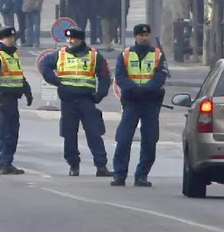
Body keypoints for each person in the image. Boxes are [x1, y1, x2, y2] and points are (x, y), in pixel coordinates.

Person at [38, 27, 113, 177]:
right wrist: (56, 81)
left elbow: (105, 75)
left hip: (87, 100)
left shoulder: (94, 55)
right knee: (69, 135)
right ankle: (73, 165)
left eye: (73, 39)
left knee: (94, 133)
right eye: (68, 38)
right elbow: (44, 65)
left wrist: (100, 94)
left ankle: (101, 166)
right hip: (68, 101)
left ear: (81, 40)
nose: (70, 41)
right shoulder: (60, 55)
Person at [111, 24, 170, 187]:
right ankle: (119, 175)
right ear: (135, 37)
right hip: (132, 102)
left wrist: (146, 89)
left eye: (147, 35)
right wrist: (134, 89)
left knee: (150, 140)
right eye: (141, 35)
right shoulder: (125, 55)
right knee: (124, 138)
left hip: (151, 102)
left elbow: (160, 76)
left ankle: (142, 175)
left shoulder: (158, 54)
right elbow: (120, 76)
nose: (144, 38)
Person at [0, 26, 33, 175]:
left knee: (12, 132)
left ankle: (6, 163)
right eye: (10, 37)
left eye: (13, 37)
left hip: (13, 99)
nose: (13, 40)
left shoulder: (13, 54)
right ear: (2, 38)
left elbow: (18, 75)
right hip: (2, 99)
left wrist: (27, 90)